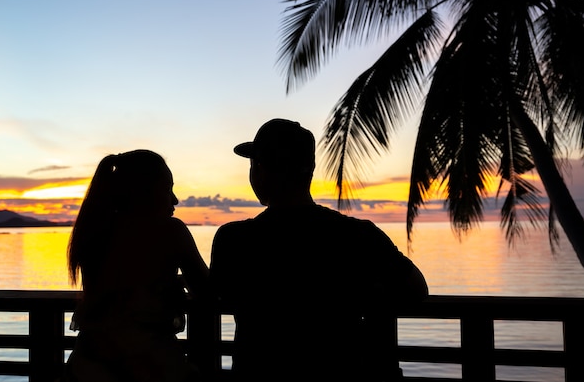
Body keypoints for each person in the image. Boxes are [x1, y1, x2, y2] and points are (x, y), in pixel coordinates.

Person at [209, 118, 428, 381]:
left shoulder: (233, 240)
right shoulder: (358, 234)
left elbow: (220, 293)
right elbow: (416, 289)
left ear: (259, 169)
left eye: (254, 164)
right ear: (309, 170)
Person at [63, 149, 210, 382]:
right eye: (167, 189)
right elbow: (207, 290)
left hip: (88, 368)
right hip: (151, 368)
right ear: (145, 192)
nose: (174, 200)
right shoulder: (171, 231)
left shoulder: (94, 233)